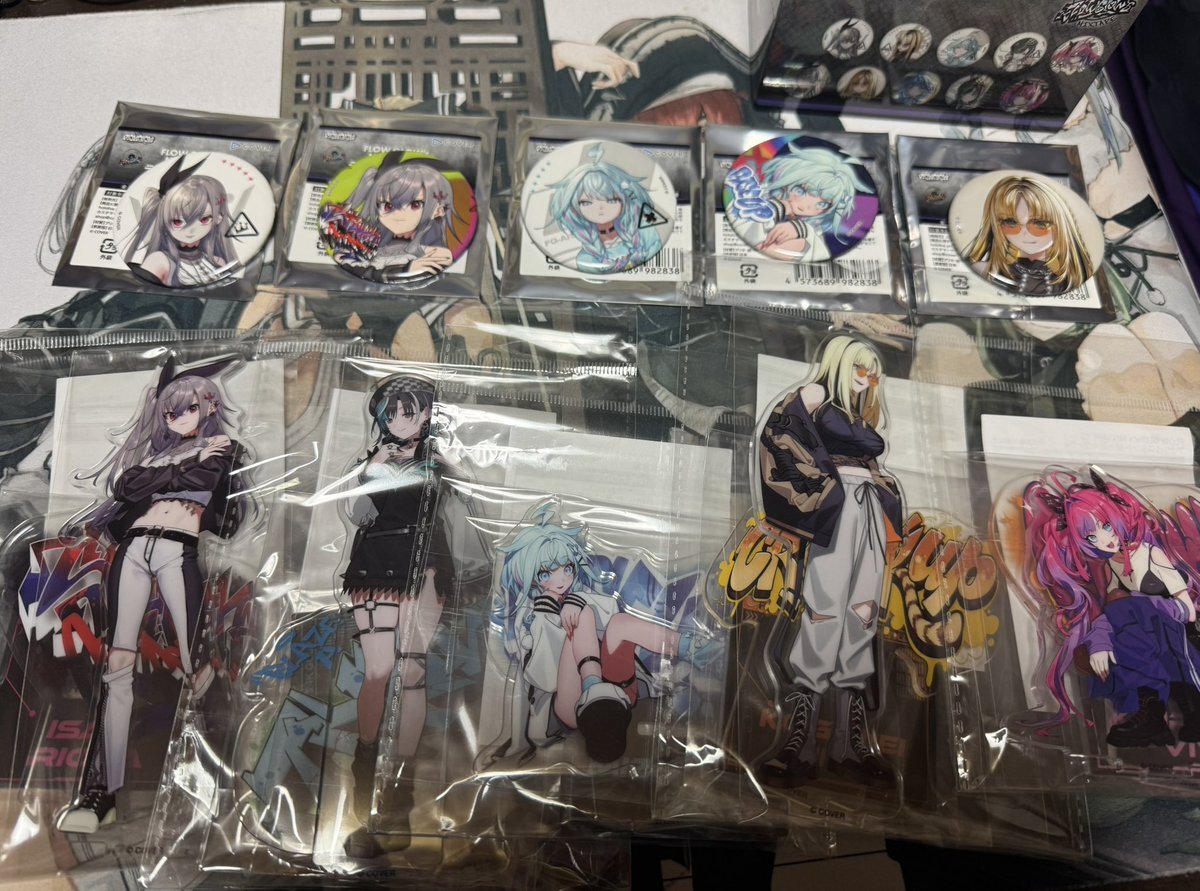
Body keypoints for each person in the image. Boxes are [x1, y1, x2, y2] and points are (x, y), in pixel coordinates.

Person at [58, 358, 247, 832]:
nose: (177, 418)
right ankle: (101, 791)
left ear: (209, 406)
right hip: (133, 550)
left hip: (178, 550)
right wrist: (181, 467)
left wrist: (170, 473)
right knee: (117, 664)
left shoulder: (224, 447)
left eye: (187, 409)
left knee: (195, 661)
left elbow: (203, 482)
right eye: (170, 412)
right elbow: (127, 486)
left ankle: (216, 778)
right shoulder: (164, 454)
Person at [753, 335, 902, 787]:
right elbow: (779, 437)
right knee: (824, 609)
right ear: (839, 363)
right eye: (859, 367)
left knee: (863, 613)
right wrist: (820, 493)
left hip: (868, 507)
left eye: (872, 371)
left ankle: (849, 746)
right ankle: (796, 743)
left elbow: (867, 448)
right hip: (836, 511)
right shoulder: (817, 394)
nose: (866, 377)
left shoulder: (855, 412)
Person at [485, 502, 717, 764]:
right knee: (595, 619)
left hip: (592, 689)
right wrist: (557, 615)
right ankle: (598, 683)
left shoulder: (576, 596)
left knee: (606, 622)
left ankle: (687, 647)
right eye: (546, 574)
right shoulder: (530, 615)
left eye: (567, 569)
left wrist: (575, 603)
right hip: (586, 694)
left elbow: (606, 613)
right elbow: (543, 673)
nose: (561, 579)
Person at [336, 374, 454, 857]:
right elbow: (356, 514)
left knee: (413, 672)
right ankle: (365, 768)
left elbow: (450, 503)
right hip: (377, 564)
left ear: (426, 414)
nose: (402, 420)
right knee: (379, 670)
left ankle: (400, 786)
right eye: (392, 412)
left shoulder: (439, 461)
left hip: (425, 566)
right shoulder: (370, 462)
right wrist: (374, 469)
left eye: (411, 411)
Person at [1024, 468, 1200, 746]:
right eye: (1091, 537)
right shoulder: (1111, 566)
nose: (1104, 539)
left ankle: (1172, 714)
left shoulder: (1150, 554)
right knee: (1115, 623)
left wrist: (1141, 605)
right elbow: (1113, 612)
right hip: (1152, 639)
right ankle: (1152, 716)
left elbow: (1187, 610)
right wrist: (1100, 642)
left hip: (1178, 635)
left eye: (1105, 526)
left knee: (1127, 610)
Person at [321, 153, 459, 283]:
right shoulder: (370, 242)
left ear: (439, 210)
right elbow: (344, 262)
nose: (398, 215)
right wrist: (403, 270)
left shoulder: (437, 253)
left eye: (415, 205)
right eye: (387, 206)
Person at [730, 143, 875, 262]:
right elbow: (740, 219)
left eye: (822, 204)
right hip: (744, 253)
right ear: (786, 181)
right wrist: (776, 209)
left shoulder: (814, 224)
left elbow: (818, 250)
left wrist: (801, 229)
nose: (805, 206)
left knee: (802, 244)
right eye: (800, 191)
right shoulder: (758, 194)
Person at [546, 143, 664, 273]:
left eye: (612, 200)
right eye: (586, 203)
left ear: (625, 201)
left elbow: (656, 250)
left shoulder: (644, 231)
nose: (601, 208)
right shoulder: (586, 258)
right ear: (574, 209)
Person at [966, 175, 1093, 295]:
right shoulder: (984, 271)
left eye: (1039, 223)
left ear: (1061, 225)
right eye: (1011, 222)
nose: (1024, 233)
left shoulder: (1074, 280)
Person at [125, 155, 237, 287]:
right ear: (164, 220)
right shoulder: (159, 261)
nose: (190, 230)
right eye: (177, 222)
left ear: (218, 218)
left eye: (204, 219)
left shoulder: (218, 262)